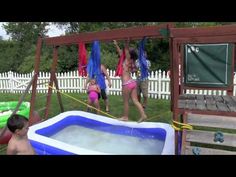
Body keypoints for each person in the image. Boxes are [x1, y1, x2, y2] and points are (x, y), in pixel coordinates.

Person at [113, 40, 147, 122]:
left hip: (126, 84)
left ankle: (125, 117)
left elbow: (126, 50)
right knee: (135, 101)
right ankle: (143, 115)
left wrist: (126, 41)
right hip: (132, 82)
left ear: (129, 55)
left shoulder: (127, 60)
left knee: (126, 102)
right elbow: (121, 53)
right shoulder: (129, 61)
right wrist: (116, 44)